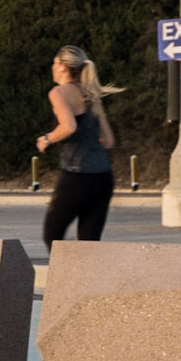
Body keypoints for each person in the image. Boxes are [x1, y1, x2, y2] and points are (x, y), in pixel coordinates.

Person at [38, 45, 120, 247]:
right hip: (103, 177)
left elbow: (69, 126)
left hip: (77, 175)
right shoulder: (91, 92)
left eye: (55, 62)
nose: (52, 67)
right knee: (89, 243)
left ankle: (65, 278)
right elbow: (109, 140)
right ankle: (87, 279)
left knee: (52, 235)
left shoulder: (58, 92)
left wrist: (47, 139)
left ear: (63, 67)